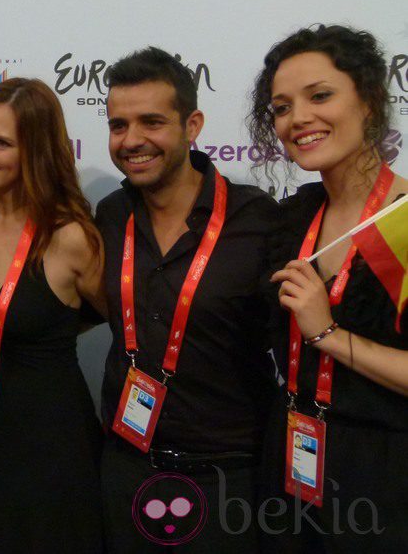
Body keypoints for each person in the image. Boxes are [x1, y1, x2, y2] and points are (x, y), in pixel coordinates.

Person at [96, 47, 279, 552]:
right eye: (118, 125)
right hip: (126, 470)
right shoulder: (109, 217)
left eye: (151, 122)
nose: (132, 140)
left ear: (191, 124)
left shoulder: (258, 221)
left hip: (229, 481)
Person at [250, 25, 408, 550]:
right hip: (289, 459)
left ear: (366, 101)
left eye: (320, 96)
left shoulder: (404, 220)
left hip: (383, 475)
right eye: (281, 107)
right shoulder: (291, 217)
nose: (298, 119)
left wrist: (328, 334)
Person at [0, 78, 105, 552]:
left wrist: (44, 328)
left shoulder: (70, 236)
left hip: (50, 447)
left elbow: (125, 320)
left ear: (35, 151)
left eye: (0, 143)